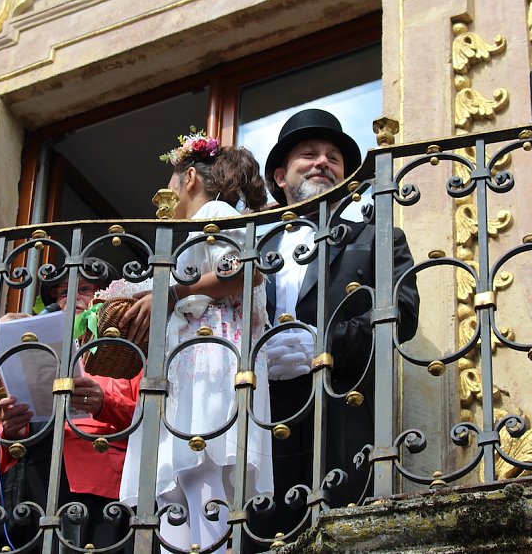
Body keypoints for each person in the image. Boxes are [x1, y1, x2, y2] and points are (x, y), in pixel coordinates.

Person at [255, 109, 420, 539]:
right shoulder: (256, 245)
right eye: (308, 155)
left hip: (340, 411)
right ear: (279, 176)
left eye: (333, 157)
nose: (322, 163)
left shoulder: (376, 233)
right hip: (261, 418)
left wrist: (323, 343)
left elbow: (402, 314)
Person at [118, 131, 273, 554]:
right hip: (190, 362)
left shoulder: (217, 211)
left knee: (198, 473)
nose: (167, 192)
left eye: (170, 182)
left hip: (212, 357)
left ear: (189, 177)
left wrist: (173, 293)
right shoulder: (187, 233)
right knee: (175, 481)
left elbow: (245, 272)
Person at [0, 258, 139, 553]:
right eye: (64, 292)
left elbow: (150, 421)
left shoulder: (126, 351)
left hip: (99, 492)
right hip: (30, 492)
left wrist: (103, 403)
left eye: (85, 288)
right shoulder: (31, 348)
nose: (74, 298)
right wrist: (11, 430)